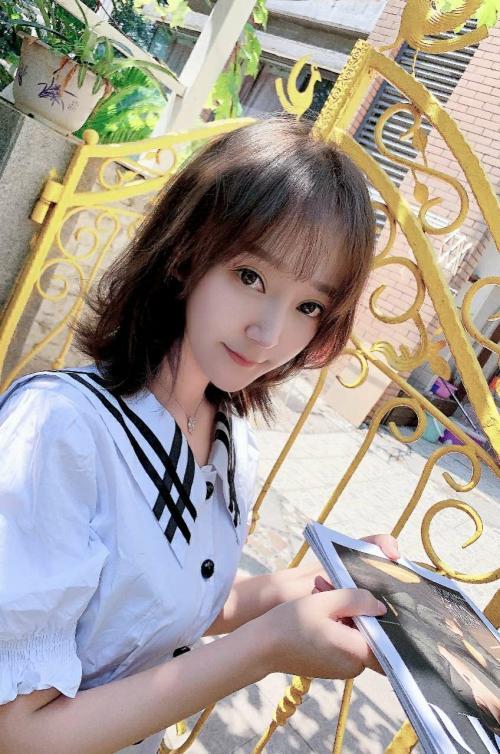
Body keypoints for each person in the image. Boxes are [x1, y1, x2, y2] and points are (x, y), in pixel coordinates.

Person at [0, 117, 400, 754]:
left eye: (309, 306)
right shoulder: (61, 431)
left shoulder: (231, 442)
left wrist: (314, 588)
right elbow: (17, 734)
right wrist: (263, 650)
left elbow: (165, 606)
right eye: (251, 277)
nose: (269, 334)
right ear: (187, 253)